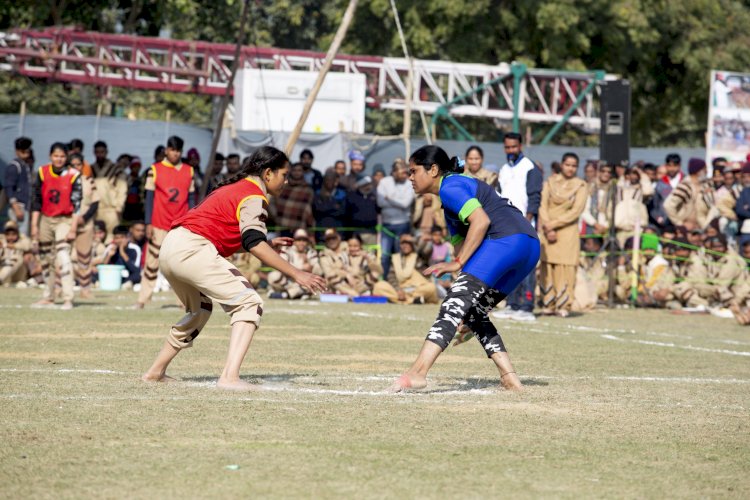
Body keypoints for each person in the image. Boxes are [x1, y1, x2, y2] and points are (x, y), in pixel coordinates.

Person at [141, 146, 326, 390]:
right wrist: (297, 273)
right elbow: (253, 242)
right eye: (284, 174)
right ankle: (229, 378)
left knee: (200, 310)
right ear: (268, 173)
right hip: (192, 249)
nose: (287, 181)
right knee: (249, 303)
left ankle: (155, 372)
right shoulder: (254, 196)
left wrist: (266, 244)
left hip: (172, 246)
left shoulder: (232, 188)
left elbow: (228, 237)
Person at [389, 145, 539, 393]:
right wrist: (464, 293)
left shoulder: (450, 186)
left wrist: (457, 268)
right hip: (529, 247)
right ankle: (510, 378)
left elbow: (481, 221)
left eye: (414, 171)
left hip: (506, 241)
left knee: (453, 304)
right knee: (472, 312)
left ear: (433, 169)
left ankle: (418, 373)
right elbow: (465, 252)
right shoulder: (451, 200)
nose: (410, 177)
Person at [136, 135, 196, 309]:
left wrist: (191, 220)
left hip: (181, 225)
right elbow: (149, 198)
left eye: (178, 151)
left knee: (180, 264)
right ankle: (143, 299)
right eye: (172, 150)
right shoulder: (154, 170)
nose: (175, 154)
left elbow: (191, 198)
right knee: (152, 262)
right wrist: (148, 222)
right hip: (159, 223)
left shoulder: (189, 171)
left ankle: (183, 301)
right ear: (166, 150)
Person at [492, 132, 543, 322]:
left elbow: (535, 198)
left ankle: (527, 307)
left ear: (520, 146)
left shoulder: (530, 167)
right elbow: (499, 196)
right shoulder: (504, 169)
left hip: (525, 226)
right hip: (507, 227)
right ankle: (512, 305)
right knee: (509, 267)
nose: (510, 150)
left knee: (527, 267)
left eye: (514, 147)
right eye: (507, 147)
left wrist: (526, 220)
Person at [30, 142, 82, 310]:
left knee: (63, 256)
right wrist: (34, 226)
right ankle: (49, 296)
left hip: (65, 220)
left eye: (62, 156)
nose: (59, 159)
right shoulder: (42, 172)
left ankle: (68, 297)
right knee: (46, 259)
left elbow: (77, 204)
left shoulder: (74, 175)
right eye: (56, 156)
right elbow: (36, 201)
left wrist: (73, 228)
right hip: (45, 218)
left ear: (66, 157)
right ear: (50, 156)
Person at [538, 152, 588, 317]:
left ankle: (563, 305)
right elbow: (542, 205)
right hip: (548, 230)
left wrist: (553, 224)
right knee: (548, 266)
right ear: (562, 164)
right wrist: (547, 226)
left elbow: (576, 211)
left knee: (565, 268)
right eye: (567, 165)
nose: (570, 168)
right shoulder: (550, 182)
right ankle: (548, 303)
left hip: (567, 231)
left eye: (574, 166)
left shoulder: (581, 185)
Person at [372, 233, 438, 305]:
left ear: (412, 244)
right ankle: (413, 301)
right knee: (379, 286)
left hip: (418, 289)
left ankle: (401, 300)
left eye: (408, 243)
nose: (405, 246)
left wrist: (413, 239)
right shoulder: (395, 258)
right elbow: (391, 277)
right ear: (400, 245)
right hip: (401, 289)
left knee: (431, 287)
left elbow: (428, 249)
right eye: (403, 243)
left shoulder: (419, 256)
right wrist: (398, 290)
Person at [377, 159, 414, 279]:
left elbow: (406, 204)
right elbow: (380, 202)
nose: (405, 175)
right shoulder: (384, 182)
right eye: (402, 172)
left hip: (403, 224)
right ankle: (384, 280)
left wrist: (389, 199)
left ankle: (401, 281)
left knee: (400, 255)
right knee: (385, 255)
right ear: (394, 172)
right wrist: (396, 202)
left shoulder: (409, 183)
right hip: (387, 225)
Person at [69, 153, 100, 298]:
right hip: (67, 223)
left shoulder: (89, 180)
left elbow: (95, 202)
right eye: (73, 165)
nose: (76, 167)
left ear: (82, 165)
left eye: (78, 165)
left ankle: (85, 290)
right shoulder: (64, 180)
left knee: (85, 258)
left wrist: (85, 217)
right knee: (62, 256)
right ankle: (59, 288)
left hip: (85, 224)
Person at [664, 158, 716, 231]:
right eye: (705, 169)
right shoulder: (685, 186)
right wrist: (680, 224)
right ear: (698, 171)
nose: (707, 171)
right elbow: (668, 205)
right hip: (687, 229)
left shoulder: (706, 185)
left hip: (703, 227)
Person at [267, 228, 321, 299]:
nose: (301, 243)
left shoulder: (311, 252)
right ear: (294, 241)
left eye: (304, 240)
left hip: (303, 282)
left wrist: (310, 268)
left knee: (313, 283)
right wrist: (302, 267)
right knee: (273, 276)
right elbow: (282, 266)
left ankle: (284, 295)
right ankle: (296, 294)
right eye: (299, 240)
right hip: (288, 280)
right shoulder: (287, 249)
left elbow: (318, 269)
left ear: (307, 241)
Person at [91, 141, 127, 242]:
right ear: (94, 152)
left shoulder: (115, 169)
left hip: (112, 209)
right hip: (96, 210)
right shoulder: (91, 169)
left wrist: (119, 207)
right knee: (96, 238)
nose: (100, 154)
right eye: (97, 152)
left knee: (112, 239)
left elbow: (122, 188)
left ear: (106, 152)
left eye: (102, 152)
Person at [270, 162, 314, 235]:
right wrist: (275, 216)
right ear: (290, 171)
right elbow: (272, 202)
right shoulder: (282, 186)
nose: (297, 173)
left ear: (303, 172)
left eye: (299, 170)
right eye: (294, 170)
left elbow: (309, 210)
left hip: (299, 227)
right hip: (281, 225)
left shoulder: (308, 189)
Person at [5, 137, 33, 236]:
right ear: (17, 151)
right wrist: (15, 207)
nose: (26, 153)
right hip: (18, 206)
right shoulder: (14, 166)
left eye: (27, 150)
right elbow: (9, 187)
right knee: (16, 235)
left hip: (25, 206)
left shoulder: (25, 165)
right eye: (23, 151)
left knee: (23, 235)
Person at [651, 153, 683, 229]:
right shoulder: (660, 184)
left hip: (681, 223)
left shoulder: (685, 181)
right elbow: (655, 204)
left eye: (675, 166)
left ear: (679, 166)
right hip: (664, 223)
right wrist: (658, 217)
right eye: (669, 165)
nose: (672, 169)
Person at [312, 169, 347, 237]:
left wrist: (325, 206)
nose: (329, 182)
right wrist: (334, 206)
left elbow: (342, 212)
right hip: (321, 228)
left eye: (331, 180)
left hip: (337, 228)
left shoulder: (342, 194)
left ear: (335, 181)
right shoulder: (318, 193)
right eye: (327, 180)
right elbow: (317, 209)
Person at [581, 163, 613, 236]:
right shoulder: (590, 187)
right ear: (598, 172)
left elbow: (614, 211)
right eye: (603, 171)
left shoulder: (614, 189)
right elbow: (584, 211)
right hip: (591, 226)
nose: (606, 174)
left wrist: (605, 227)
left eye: (609, 172)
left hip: (607, 228)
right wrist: (596, 225)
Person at [345, 176, 379, 244]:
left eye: (369, 184)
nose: (368, 187)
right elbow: (346, 213)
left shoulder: (375, 197)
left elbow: (379, 212)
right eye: (365, 185)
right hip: (355, 231)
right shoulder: (351, 197)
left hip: (371, 232)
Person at [0, 221, 32, 286]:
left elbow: (28, 246)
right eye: (8, 234)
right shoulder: (1, 239)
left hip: (17, 276)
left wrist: (7, 245)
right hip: (4, 273)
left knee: (17, 258)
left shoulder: (23, 238)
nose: (10, 237)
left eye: (13, 234)